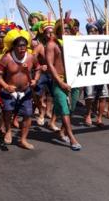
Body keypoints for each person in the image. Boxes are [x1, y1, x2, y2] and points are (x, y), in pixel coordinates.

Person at [0, 28, 39, 149]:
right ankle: (8, 131)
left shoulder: (31, 57)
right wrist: (5, 86)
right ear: (13, 46)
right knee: (8, 112)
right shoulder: (7, 58)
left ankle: (23, 139)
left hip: (26, 91)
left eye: (24, 45)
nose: (22, 48)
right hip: (9, 91)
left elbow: (38, 68)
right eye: (19, 46)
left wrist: (35, 79)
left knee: (28, 114)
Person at [46, 19, 81, 151]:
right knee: (64, 109)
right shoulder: (52, 45)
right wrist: (60, 82)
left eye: (68, 28)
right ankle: (72, 138)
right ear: (58, 29)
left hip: (74, 80)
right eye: (63, 28)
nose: (66, 30)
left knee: (71, 108)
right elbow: (50, 65)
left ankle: (62, 131)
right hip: (59, 81)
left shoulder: (73, 43)